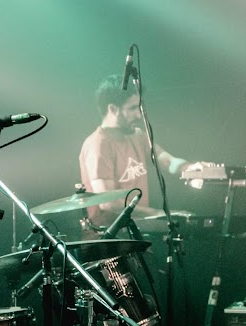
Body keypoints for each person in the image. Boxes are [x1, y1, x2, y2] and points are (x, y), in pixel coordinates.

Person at [79, 74, 205, 237]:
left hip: (136, 234)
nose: (139, 115)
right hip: (108, 241)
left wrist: (190, 168)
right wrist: (159, 214)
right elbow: (109, 203)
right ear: (112, 109)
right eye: (132, 108)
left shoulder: (137, 136)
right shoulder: (98, 144)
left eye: (139, 107)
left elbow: (166, 160)